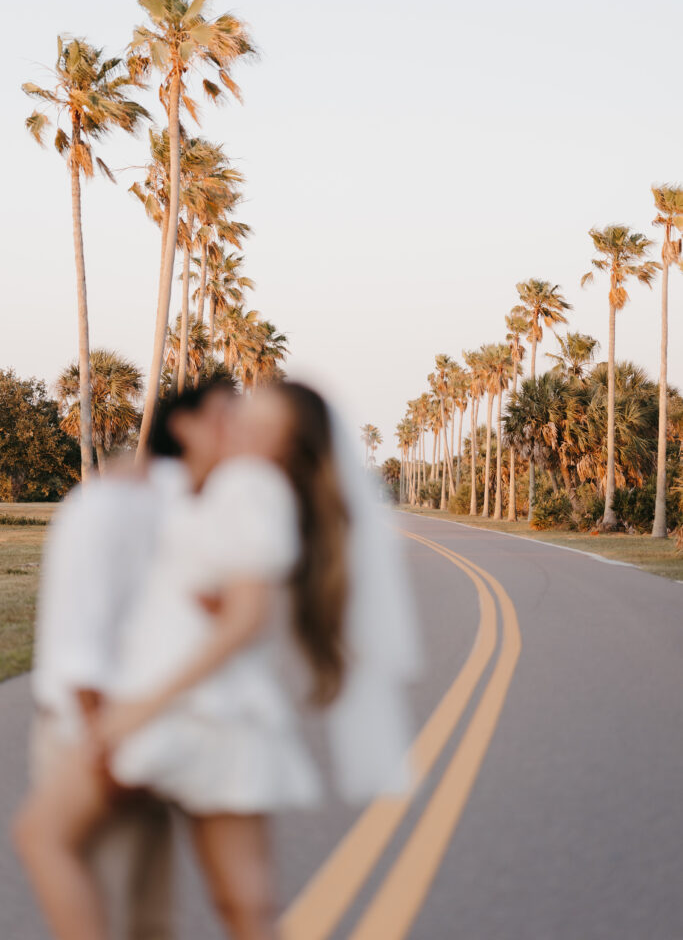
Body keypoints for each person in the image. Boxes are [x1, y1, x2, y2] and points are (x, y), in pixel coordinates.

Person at [15, 382, 420, 940]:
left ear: (282, 446)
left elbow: (246, 617)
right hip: (208, 709)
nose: (238, 425)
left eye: (256, 425)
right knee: (242, 903)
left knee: (46, 837)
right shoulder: (226, 484)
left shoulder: (250, 486)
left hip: (183, 709)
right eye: (240, 414)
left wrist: (137, 710)